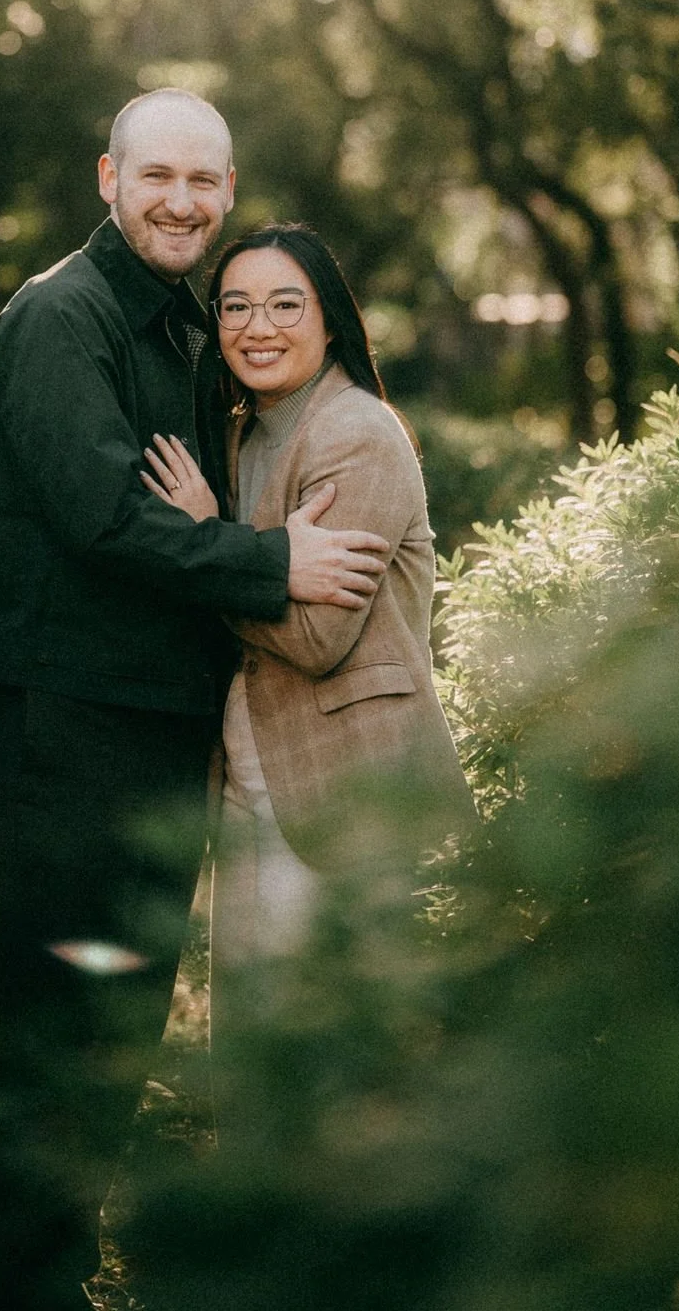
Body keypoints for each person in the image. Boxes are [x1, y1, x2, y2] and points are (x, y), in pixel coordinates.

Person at [0, 94, 391, 1311]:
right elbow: (103, 516)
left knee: (118, 1020)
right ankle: (24, 1288)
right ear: (109, 176)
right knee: (55, 1016)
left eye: (205, 180)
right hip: (66, 729)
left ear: (229, 187)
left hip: (153, 733)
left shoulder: (183, 322)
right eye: (157, 175)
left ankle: (58, 1274)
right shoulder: (62, 316)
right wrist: (271, 560)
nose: (182, 200)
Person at [140, 224, 474, 992]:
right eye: (235, 307)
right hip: (253, 765)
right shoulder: (240, 433)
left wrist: (204, 545)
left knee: (333, 1031)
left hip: (347, 782)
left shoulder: (356, 434)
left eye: (285, 305)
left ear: (329, 319)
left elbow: (319, 635)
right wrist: (247, 559)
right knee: (249, 1028)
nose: (257, 327)